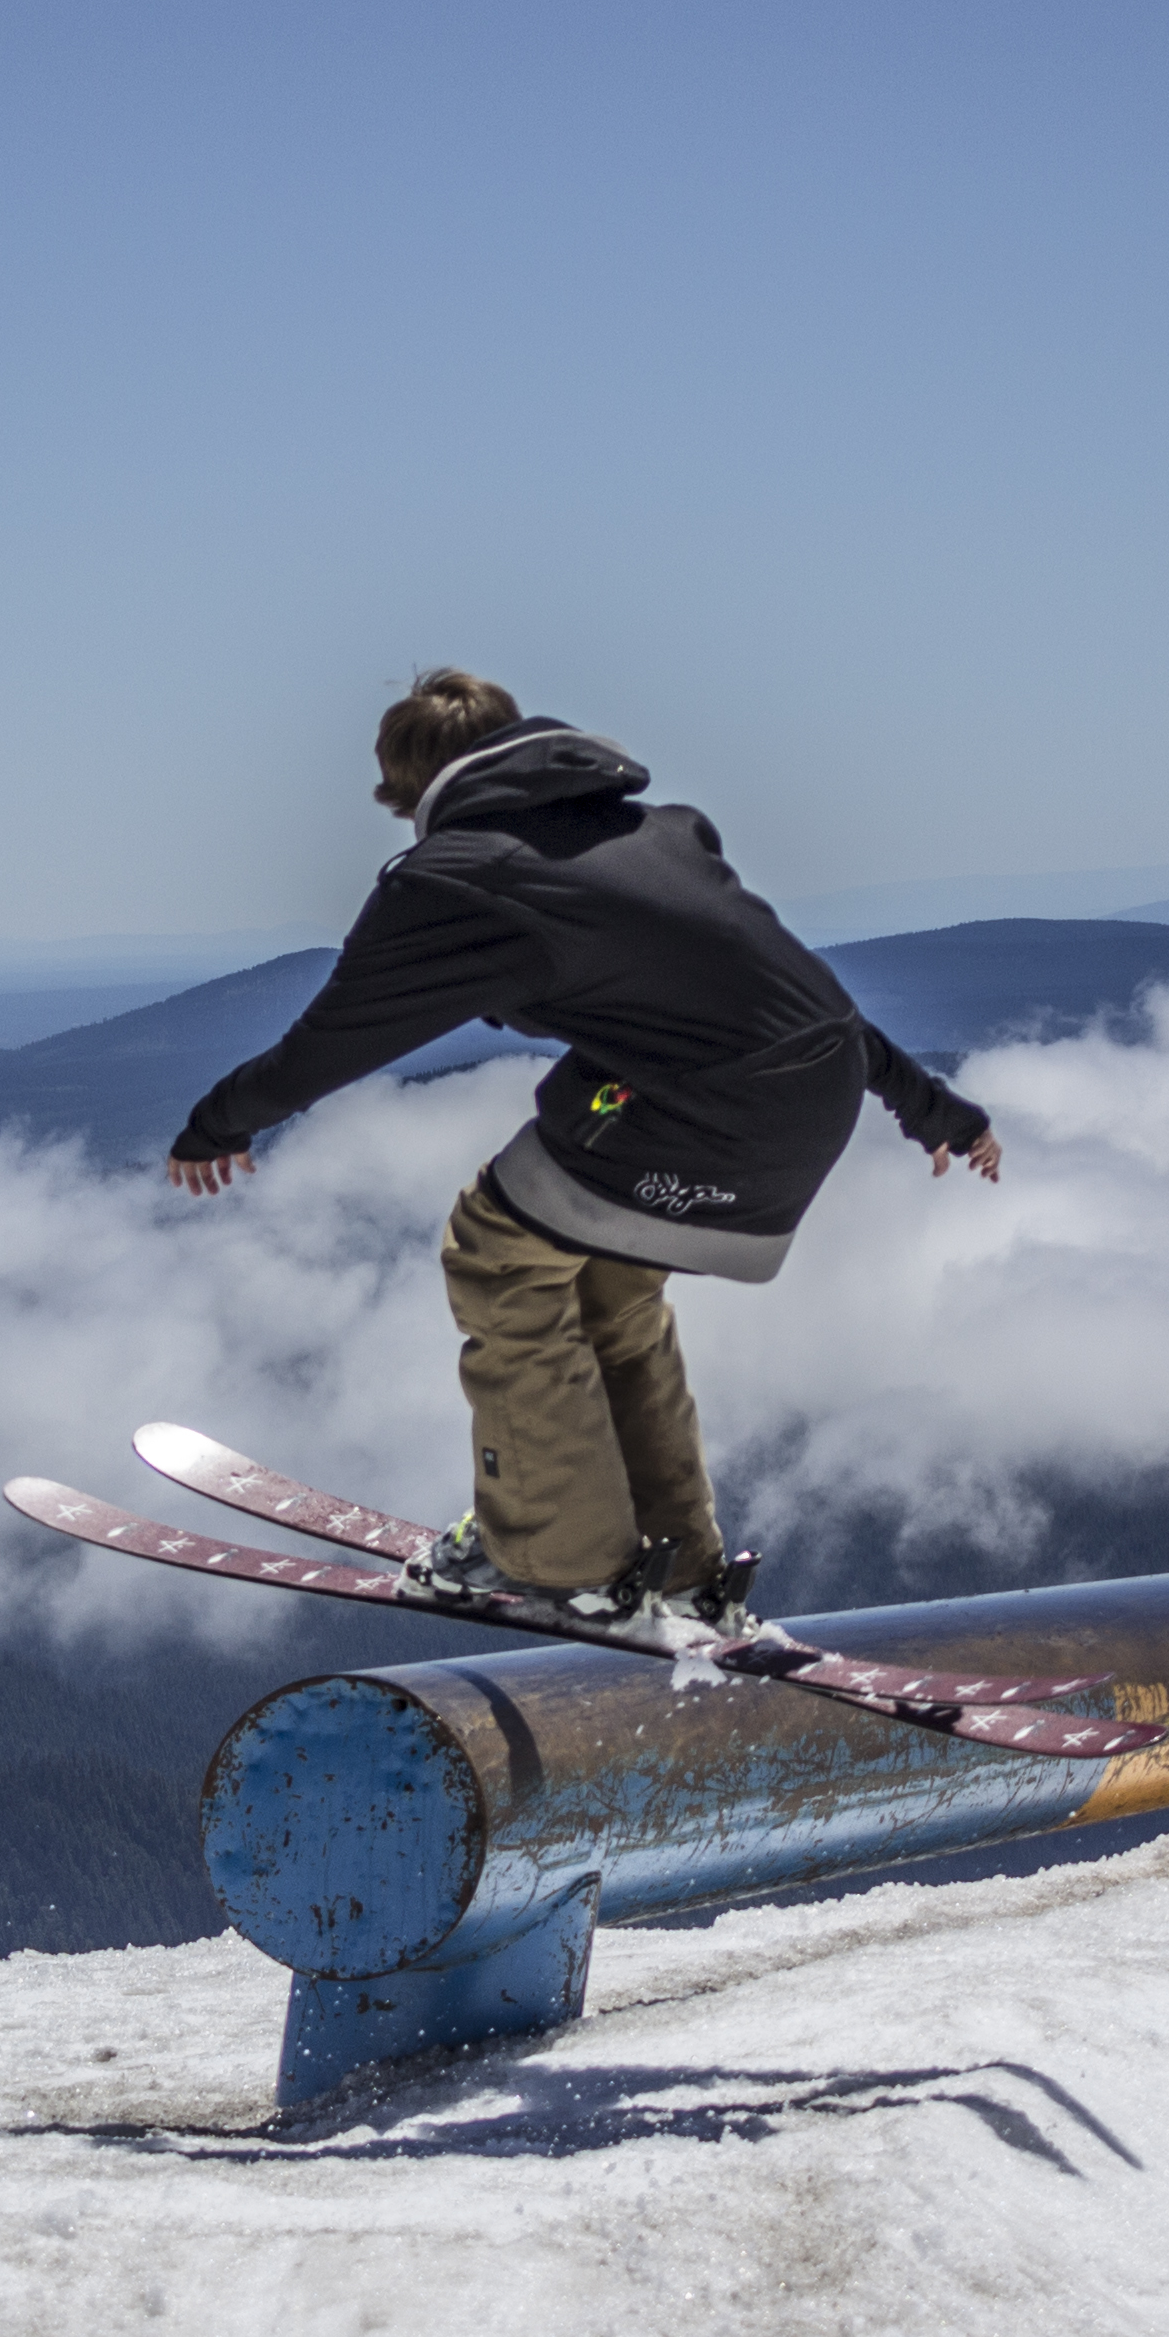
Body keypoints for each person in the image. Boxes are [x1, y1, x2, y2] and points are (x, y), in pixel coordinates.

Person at [165, 668, 997, 1628]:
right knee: (607, 1287)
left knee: (499, 1251)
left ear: (406, 790)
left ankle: (561, 1559)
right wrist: (934, 1108)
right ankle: (678, 1566)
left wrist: (218, 1122)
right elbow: (805, 1000)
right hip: (804, 1103)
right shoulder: (658, 834)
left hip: (702, 1111)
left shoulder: (453, 876)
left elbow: (337, 1035)